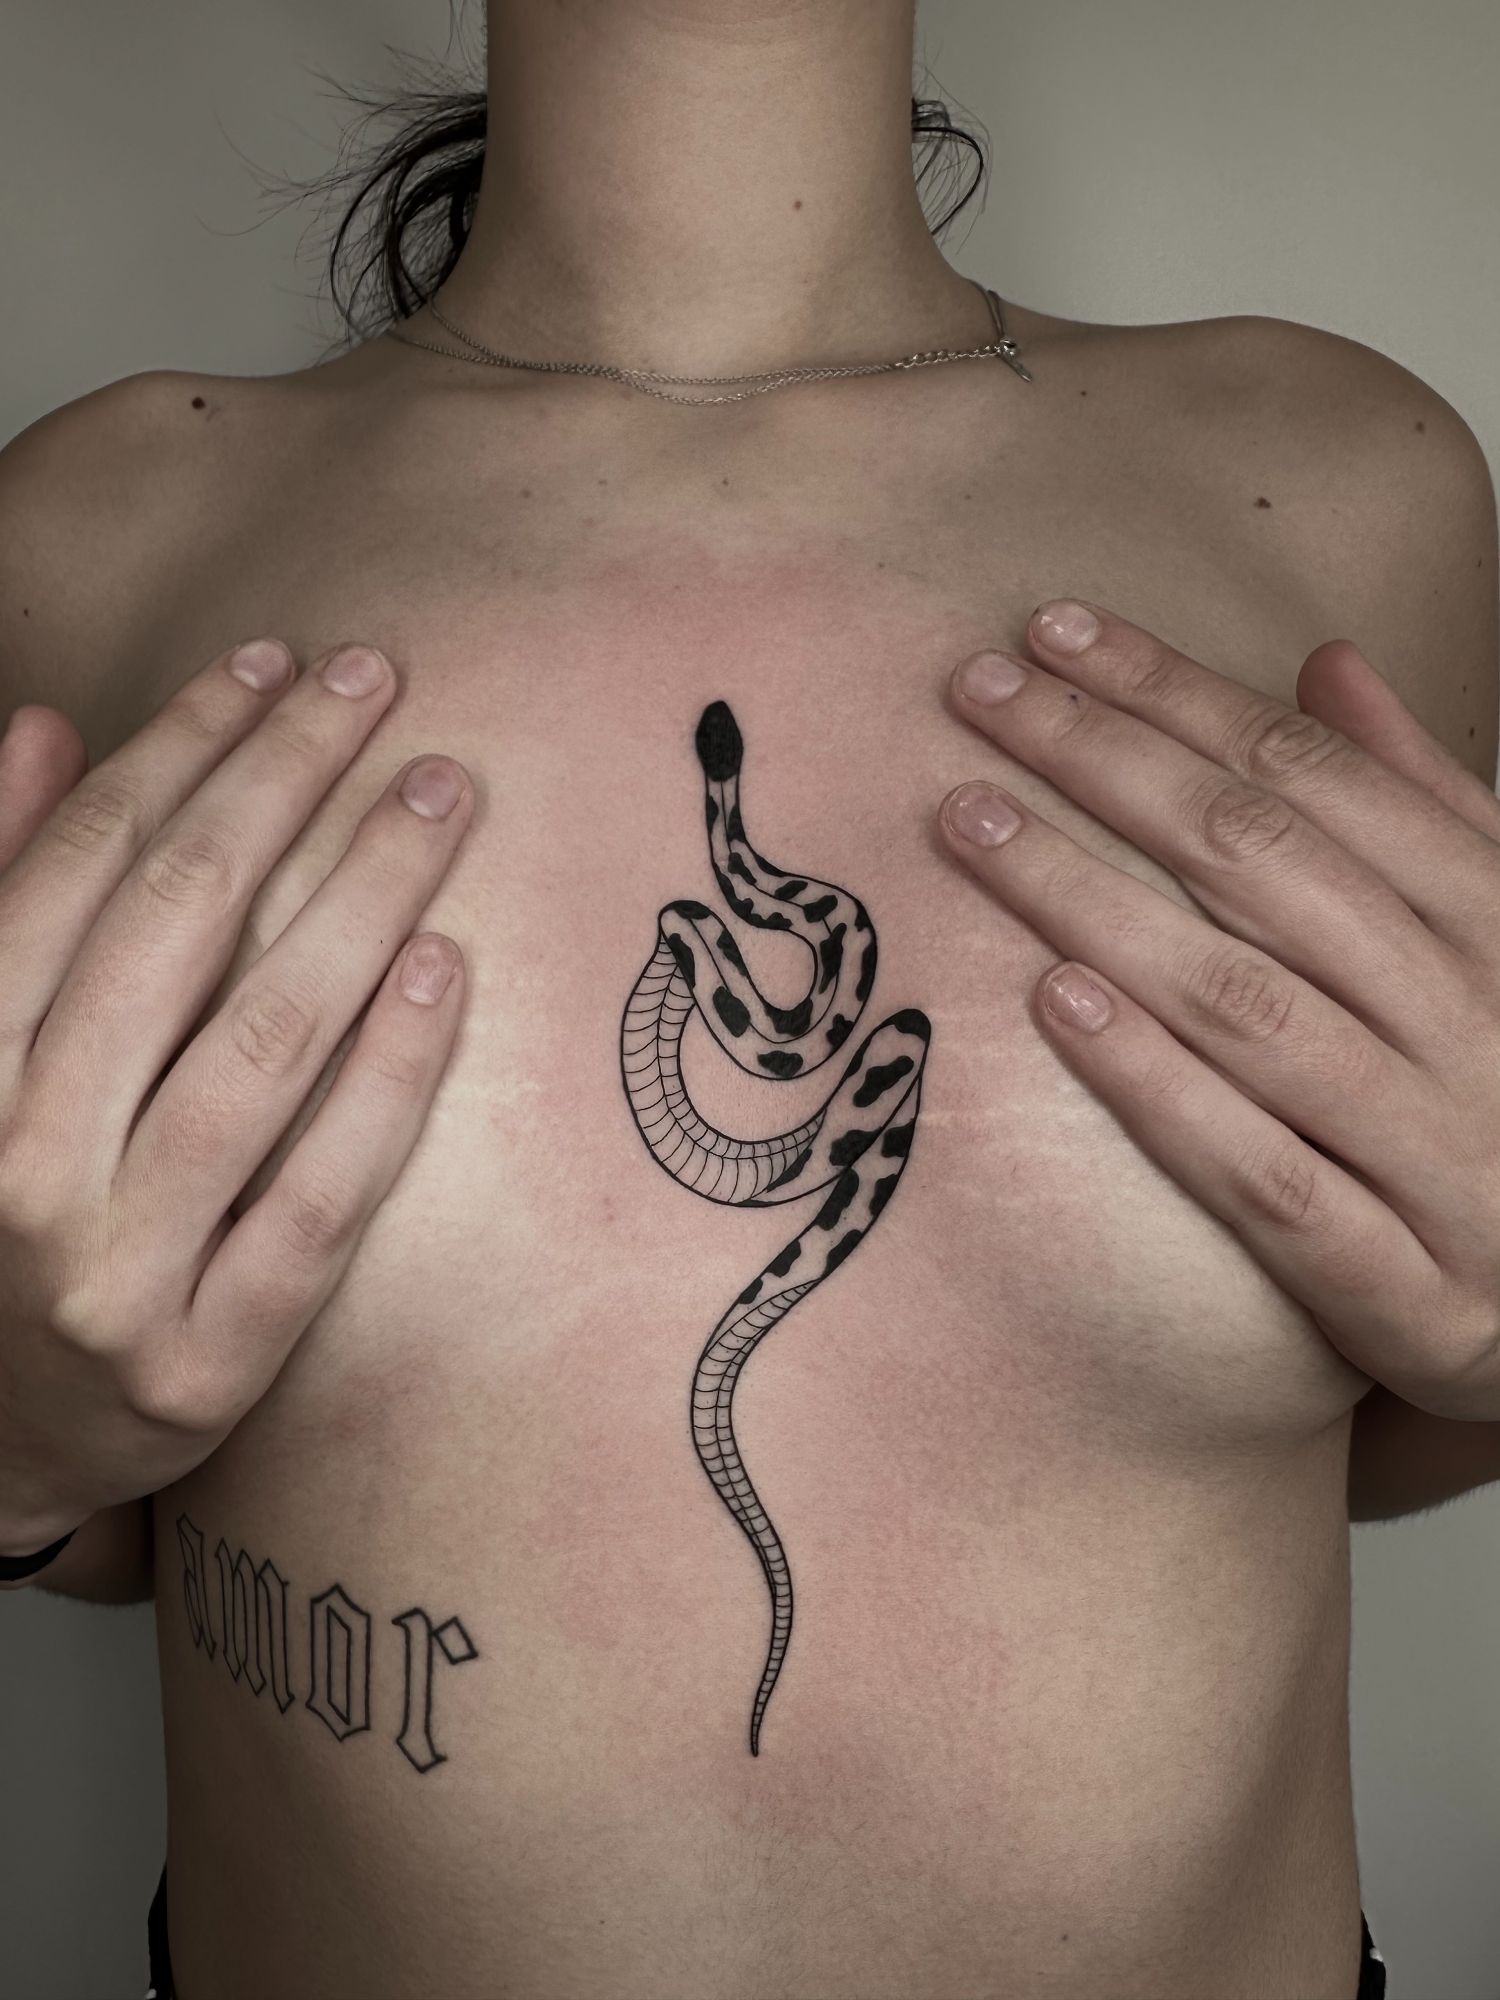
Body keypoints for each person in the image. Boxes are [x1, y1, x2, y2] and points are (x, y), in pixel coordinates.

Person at [2, 3, 1496, 1995]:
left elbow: (1375, 1391)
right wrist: (11, 1459)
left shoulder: (1348, 487)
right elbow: (115, 1477)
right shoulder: (93, 529)